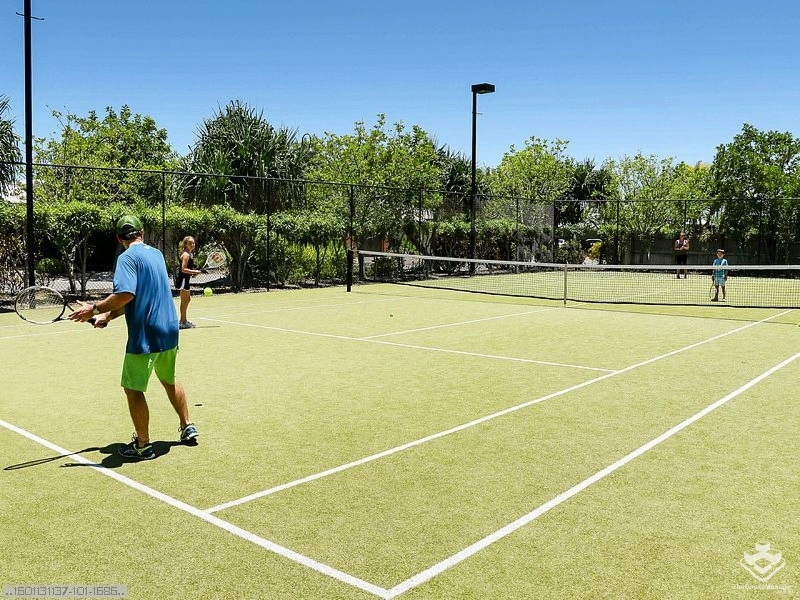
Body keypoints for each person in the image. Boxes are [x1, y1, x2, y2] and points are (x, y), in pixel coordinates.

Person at [69, 215, 199, 460]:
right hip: (170, 328)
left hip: (145, 334)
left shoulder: (126, 258)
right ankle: (187, 425)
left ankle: (142, 445)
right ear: (142, 232)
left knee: (133, 388)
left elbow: (126, 294)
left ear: (119, 239)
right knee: (169, 378)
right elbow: (138, 297)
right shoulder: (157, 255)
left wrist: (93, 309)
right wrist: (107, 315)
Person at [175, 236, 202, 329]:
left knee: (188, 299)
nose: (192, 245)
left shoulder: (190, 254)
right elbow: (183, 269)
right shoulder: (186, 255)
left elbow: (188, 269)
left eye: (193, 243)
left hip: (186, 279)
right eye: (190, 243)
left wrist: (194, 274)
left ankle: (184, 320)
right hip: (182, 279)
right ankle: (182, 322)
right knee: (184, 300)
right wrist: (194, 272)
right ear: (185, 244)